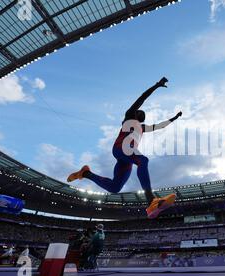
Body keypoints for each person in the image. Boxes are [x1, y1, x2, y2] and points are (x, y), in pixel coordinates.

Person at [67, 77, 182, 218]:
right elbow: (142, 98)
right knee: (143, 160)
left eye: (141, 113)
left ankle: (85, 173)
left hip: (125, 158)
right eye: (139, 111)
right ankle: (151, 200)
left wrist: (174, 118)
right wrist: (156, 85)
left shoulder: (142, 127)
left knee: (115, 187)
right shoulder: (129, 116)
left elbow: (160, 126)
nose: (140, 111)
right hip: (121, 148)